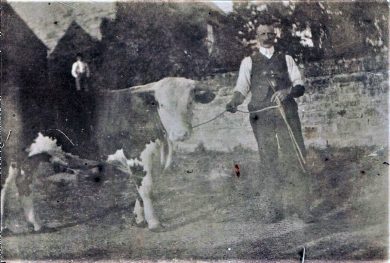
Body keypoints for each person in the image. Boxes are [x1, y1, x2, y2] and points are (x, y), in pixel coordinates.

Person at [226, 22, 312, 223]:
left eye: (270, 34)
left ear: (275, 36)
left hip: (286, 114)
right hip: (261, 116)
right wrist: (233, 102)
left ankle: (303, 208)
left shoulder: (287, 59)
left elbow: (299, 86)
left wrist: (287, 91)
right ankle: (273, 209)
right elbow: (241, 88)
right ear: (257, 37)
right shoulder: (248, 62)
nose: (267, 37)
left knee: (294, 156)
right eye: (262, 34)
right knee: (268, 159)